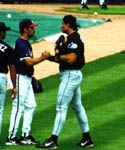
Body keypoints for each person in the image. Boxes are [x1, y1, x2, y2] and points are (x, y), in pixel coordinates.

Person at [36, 15, 94, 149]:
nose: (61, 26)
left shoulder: (74, 38)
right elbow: (62, 59)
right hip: (73, 75)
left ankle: (53, 140)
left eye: (62, 24)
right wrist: (50, 57)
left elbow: (71, 58)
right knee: (78, 107)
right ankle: (87, 139)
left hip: (70, 76)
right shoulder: (73, 38)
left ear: (68, 24)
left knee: (61, 107)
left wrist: (57, 53)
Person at [5, 19, 50, 146]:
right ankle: (11, 137)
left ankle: (25, 135)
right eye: (31, 27)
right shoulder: (21, 43)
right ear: (25, 29)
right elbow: (28, 62)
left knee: (31, 105)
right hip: (19, 78)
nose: (33, 29)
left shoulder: (25, 43)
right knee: (18, 107)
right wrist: (43, 58)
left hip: (26, 79)